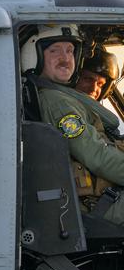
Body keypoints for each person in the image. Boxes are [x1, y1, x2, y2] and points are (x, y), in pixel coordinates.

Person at [29, 28, 124, 224]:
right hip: (96, 205)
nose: (65, 58)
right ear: (34, 56)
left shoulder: (66, 99)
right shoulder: (58, 102)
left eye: (70, 51)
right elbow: (96, 156)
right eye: (55, 50)